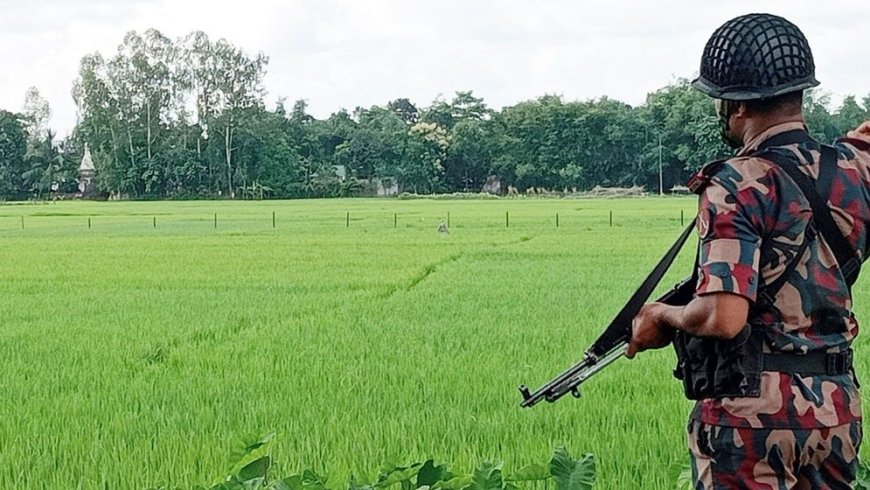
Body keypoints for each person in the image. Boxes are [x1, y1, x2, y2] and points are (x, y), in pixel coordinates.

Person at [625, 13, 870, 488]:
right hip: (836, 414)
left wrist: (663, 315)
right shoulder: (854, 170)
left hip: (752, 423)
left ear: (737, 105)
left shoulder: (735, 183)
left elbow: (723, 315)